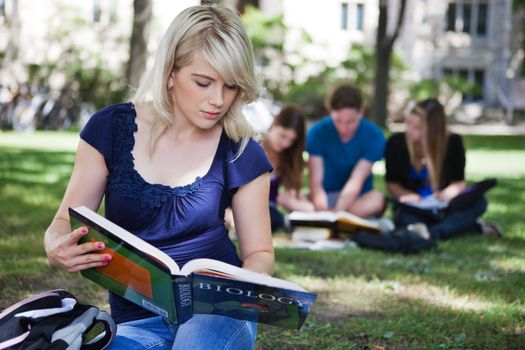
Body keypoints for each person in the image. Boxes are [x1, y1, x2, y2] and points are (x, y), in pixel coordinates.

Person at [44, 4, 274, 349]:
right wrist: (54, 246)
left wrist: (239, 285)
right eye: (203, 82)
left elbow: (260, 252)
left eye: (230, 87)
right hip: (137, 321)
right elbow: (65, 221)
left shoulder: (241, 151)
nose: (218, 100)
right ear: (170, 73)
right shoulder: (109, 129)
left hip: (216, 314)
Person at [385, 98, 503, 240]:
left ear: (433, 129)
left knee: (479, 202)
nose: (409, 130)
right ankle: (469, 228)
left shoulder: (453, 143)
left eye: (417, 127)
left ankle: (432, 233)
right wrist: (406, 195)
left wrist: (446, 194)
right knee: (402, 214)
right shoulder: (397, 143)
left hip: (445, 207)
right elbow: (392, 183)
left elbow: (458, 183)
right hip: (416, 208)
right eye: (408, 123)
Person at [306, 83, 386, 217]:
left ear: (361, 112)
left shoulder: (374, 135)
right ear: (331, 112)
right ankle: (338, 217)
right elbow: (315, 182)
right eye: (338, 121)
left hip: (357, 198)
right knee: (290, 198)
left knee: (378, 199)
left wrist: (336, 214)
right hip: (324, 197)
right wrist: (323, 210)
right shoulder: (316, 132)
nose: (343, 128)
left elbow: (357, 179)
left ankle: (334, 216)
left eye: (351, 121)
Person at [261, 105, 314, 231]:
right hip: (247, 208)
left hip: (270, 212)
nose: (286, 144)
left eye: (291, 140)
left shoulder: (287, 158)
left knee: (273, 216)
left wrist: (289, 202)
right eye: (283, 136)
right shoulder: (253, 149)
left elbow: (307, 207)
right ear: (274, 125)